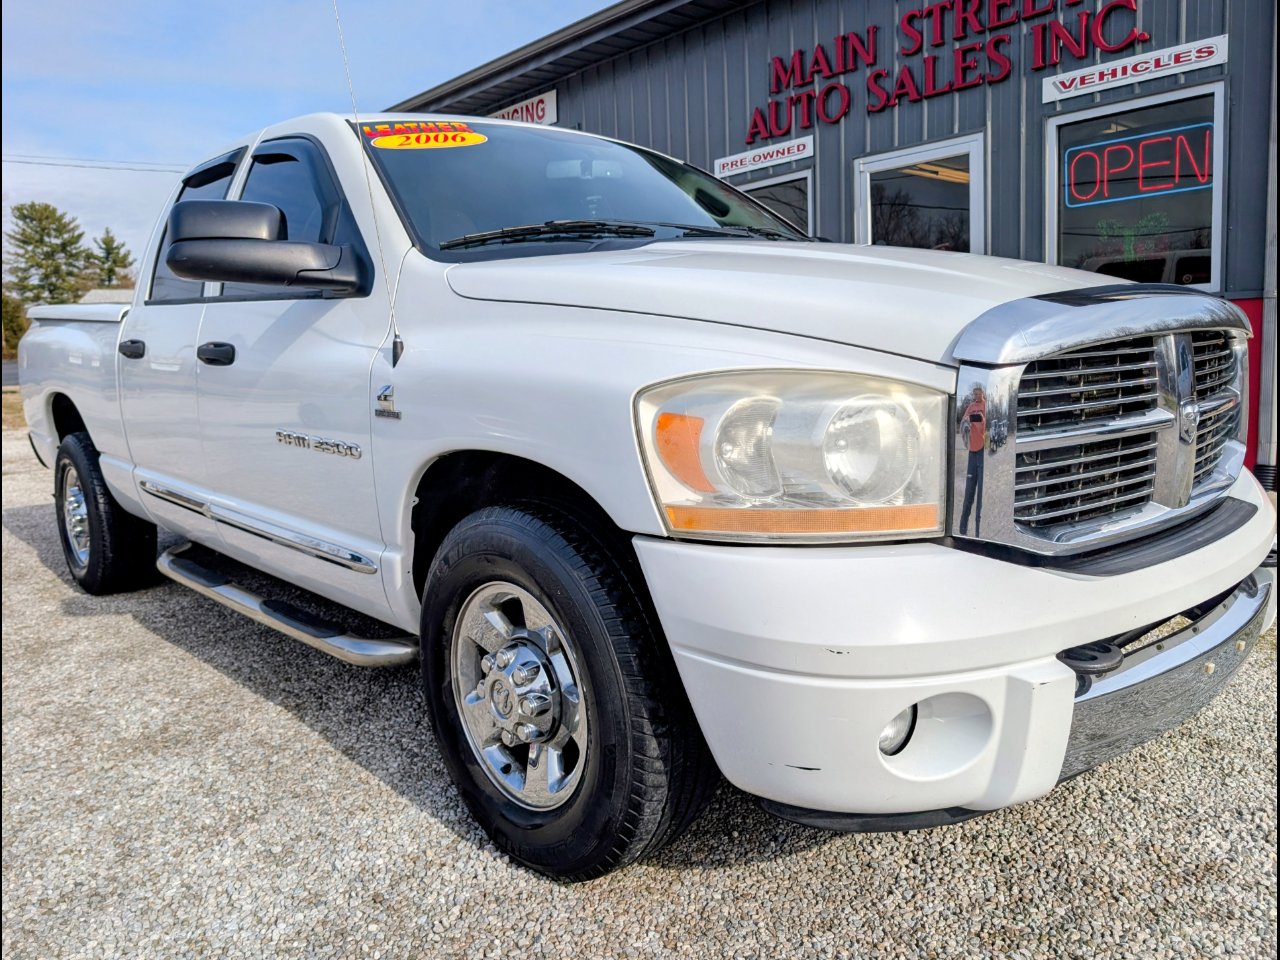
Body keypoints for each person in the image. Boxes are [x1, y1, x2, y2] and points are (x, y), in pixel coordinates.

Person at [959, 386, 986, 537]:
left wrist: (980, 421)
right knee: (969, 488)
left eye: (979, 394)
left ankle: (979, 529)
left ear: (983, 394)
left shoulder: (986, 406)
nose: (977, 396)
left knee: (981, 488)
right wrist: (967, 420)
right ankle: (963, 529)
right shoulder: (971, 406)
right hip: (972, 448)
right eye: (975, 394)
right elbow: (964, 419)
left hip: (982, 448)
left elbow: (986, 423)